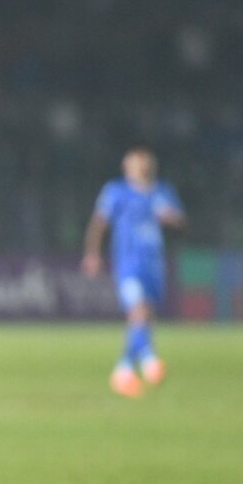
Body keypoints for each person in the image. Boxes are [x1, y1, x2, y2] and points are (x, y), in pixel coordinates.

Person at [81, 144, 186, 398]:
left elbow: (181, 221)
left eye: (144, 163)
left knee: (145, 314)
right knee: (137, 308)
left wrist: (171, 217)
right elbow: (99, 223)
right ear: (127, 167)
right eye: (136, 163)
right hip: (128, 262)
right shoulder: (116, 192)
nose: (141, 168)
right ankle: (149, 359)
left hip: (154, 263)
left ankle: (124, 368)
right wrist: (92, 253)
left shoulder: (162, 192)